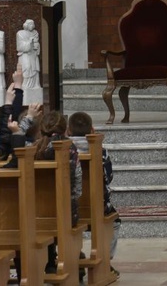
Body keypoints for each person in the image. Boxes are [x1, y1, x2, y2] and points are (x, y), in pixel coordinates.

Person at [67, 111, 121, 278]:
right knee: (115, 221)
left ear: (68, 131)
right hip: (96, 206)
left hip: (65, 207)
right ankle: (105, 260)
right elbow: (108, 178)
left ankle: (74, 257)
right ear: (92, 129)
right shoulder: (99, 151)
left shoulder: (60, 149)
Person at [34, 111, 82, 275]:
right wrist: (75, 201)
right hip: (65, 213)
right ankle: (73, 257)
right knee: (63, 211)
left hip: (35, 216)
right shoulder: (69, 148)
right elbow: (77, 181)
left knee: (44, 217)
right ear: (65, 129)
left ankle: (49, 259)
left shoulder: (32, 150)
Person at [16, 18, 42, 103]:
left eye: (33, 24)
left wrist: (36, 45)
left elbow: (37, 43)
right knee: (26, 68)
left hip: (33, 55)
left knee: (35, 69)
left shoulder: (35, 33)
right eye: (30, 24)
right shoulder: (20, 33)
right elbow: (19, 46)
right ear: (26, 25)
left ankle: (35, 85)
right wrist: (29, 42)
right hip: (25, 55)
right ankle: (25, 85)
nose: (32, 26)